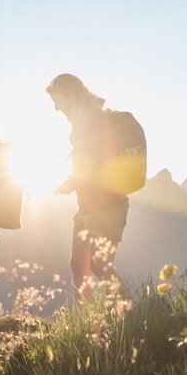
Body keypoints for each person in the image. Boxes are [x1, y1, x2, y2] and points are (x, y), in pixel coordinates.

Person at [47, 73, 142, 300]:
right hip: (88, 207)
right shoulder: (85, 121)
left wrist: (74, 182)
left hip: (108, 206)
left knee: (99, 265)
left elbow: (102, 162)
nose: (56, 108)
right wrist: (74, 182)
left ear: (70, 95)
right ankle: (85, 319)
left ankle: (125, 313)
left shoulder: (95, 122)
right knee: (79, 264)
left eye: (57, 101)